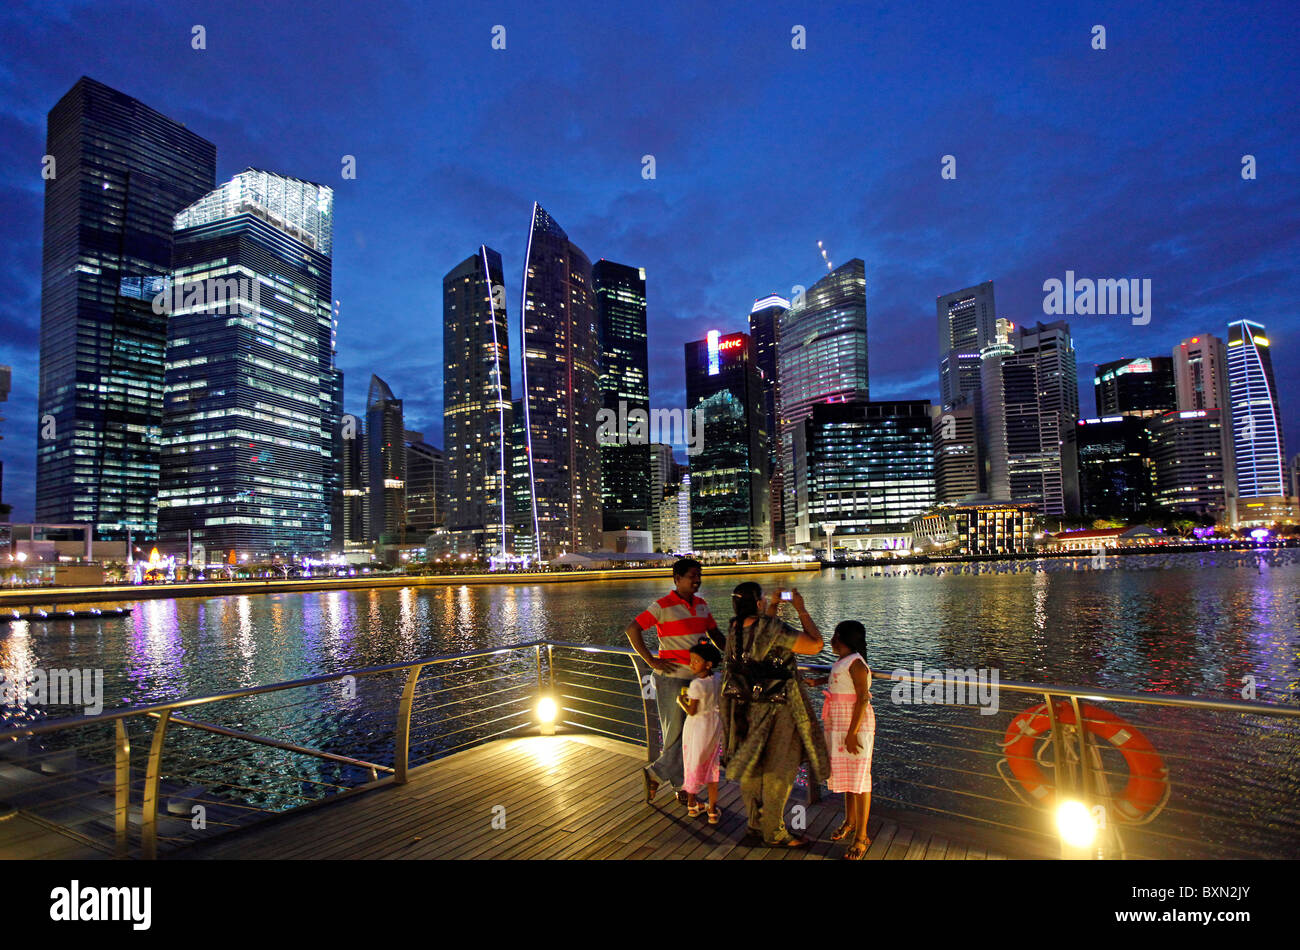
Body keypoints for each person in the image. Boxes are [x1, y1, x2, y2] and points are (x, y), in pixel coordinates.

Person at [720, 582, 828, 847]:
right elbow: (815, 645)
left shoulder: (734, 629)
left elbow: (760, 638)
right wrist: (800, 609)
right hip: (778, 708)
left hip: (746, 707)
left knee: (753, 766)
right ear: (757, 603)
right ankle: (775, 831)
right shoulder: (772, 628)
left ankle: (755, 825)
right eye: (764, 599)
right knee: (781, 768)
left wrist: (772, 606)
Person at [625, 558, 724, 804]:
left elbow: (715, 634)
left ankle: (662, 776)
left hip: (699, 678)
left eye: (699, 575)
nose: (697, 580)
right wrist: (651, 661)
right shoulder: (662, 606)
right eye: (692, 576)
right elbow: (633, 629)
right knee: (675, 734)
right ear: (676, 579)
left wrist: (733, 655)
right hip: (672, 679)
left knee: (695, 734)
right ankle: (680, 787)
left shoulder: (702, 605)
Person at [806, 620, 875, 859]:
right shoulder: (844, 661)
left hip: (854, 725)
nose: (832, 639)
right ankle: (850, 821)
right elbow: (842, 681)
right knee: (848, 777)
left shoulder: (857, 663)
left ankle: (861, 836)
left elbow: (863, 698)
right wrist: (820, 681)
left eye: (835, 634)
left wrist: (852, 734)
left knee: (860, 780)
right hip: (839, 723)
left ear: (842, 638)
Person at [677, 639, 725, 823]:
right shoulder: (719, 678)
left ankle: (692, 805)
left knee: (692, 763)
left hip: (696, 727)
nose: (691, 664)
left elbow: (692, 710)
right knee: (712, 766)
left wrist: (681, 700)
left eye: (695, 661)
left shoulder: (697, 685)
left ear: (708, 664)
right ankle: (712, 810)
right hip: (713, 726)